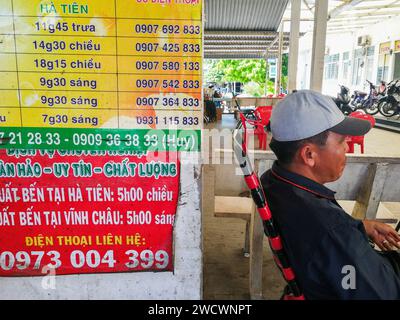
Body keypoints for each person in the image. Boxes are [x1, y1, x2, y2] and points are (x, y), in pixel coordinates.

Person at [260, 90, 400, 300]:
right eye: (342, 141)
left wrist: (359, 227)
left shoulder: (273, 181)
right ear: (309, 155)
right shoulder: (333, 231)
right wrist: (346, 233)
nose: (347, 148)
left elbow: (322, 240)